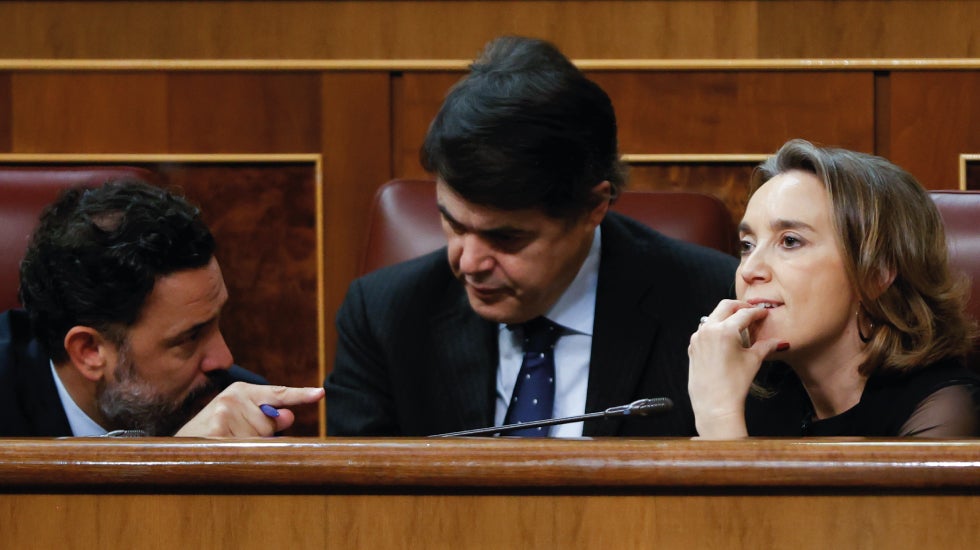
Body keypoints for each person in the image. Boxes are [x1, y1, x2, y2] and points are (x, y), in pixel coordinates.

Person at [325, 36, 737, 437]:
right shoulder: (384, 318)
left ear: (593, 208)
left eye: (505, 238)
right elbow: (354, 501)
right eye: (452, 223)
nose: (468, 263)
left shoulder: (710, 305)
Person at [688, 139, 980, 438]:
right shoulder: (742, 385)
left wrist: (720, 418)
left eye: (790, 241)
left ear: (876, 274)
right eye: (747, 245)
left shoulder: (946, 409)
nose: (749, 271)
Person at [0, 179, 324, 437]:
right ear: (89, 351)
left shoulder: (230, 410)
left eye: (216, 323)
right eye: (189, 338)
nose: (225, 359)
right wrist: (175, 471)